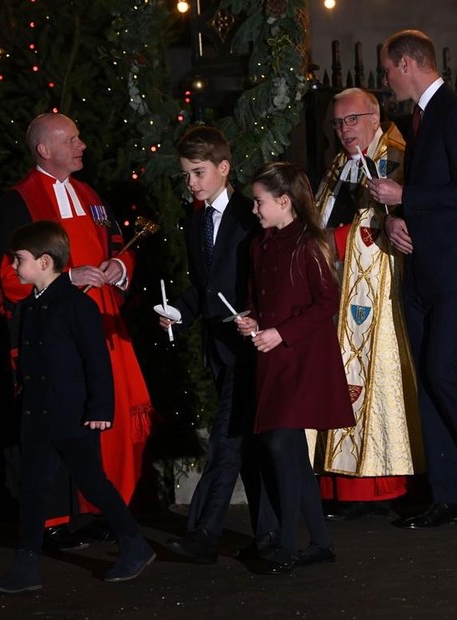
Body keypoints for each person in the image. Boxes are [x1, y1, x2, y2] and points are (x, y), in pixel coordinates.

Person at [369, 30, 457, 528]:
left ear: (408, 63)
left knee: (444, 368)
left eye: (388, 70)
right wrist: (396, 218)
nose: (385, 80)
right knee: (429, 377)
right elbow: (427, 193)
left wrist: (404, 198)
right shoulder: (422, 118)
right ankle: (448, 495)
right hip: (422, 267)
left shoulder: (456, 113)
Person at [0, 112, 152, 545]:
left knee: (109, 409)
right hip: (52, 331)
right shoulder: (18, 201)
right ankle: (57, 521)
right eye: (73, 140)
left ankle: (107, 508)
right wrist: (68, 278)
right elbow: (10, 276)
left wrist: (120, 266)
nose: (82, 146)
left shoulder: (91, 195)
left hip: (101, 321)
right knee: (63, 414)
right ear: (45, 150)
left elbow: (118, 243)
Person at [0, 222, 155, 594]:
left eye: (20, 260)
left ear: (45, 261)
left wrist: (100, 407)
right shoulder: (32, 306)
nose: (14, 267)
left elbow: (97, 360)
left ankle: (134, 543)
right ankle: (26, 565)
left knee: (92, 481)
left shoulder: (77, 305)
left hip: (72, 413)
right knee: (32, 489)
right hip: (37, 414)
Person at [159, 126, 277, 563]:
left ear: (224, 169)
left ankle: (205, 532)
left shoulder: (251, 216)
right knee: (243, 440)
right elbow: (202, 286)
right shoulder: (194, 220)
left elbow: (265, 281)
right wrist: (179, 312)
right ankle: (268, 534)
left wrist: (258, 318)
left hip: (249, 345)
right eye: (187, 174)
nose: (191, 182)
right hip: (218, 348)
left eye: (199, 173)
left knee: (229, 438)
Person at [235, 162, 355, 574]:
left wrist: (281, 333)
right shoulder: (259, 245)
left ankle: (287, 544)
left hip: (302, 358)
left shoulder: (309, 242)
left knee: (280, 446)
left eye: (259, 202)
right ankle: (319, 542)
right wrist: (251, 317)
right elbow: (259, 297)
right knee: (289, 453)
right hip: (274, 359)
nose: (255, 210)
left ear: (284, 202)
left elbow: (326, 302)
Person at [313, 87, 413, 521]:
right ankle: (340, 484)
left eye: (352, 120)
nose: (344, 130)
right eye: (337, 123)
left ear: (375, 116)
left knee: (377, 384)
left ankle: (381, 484)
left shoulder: (396, 156)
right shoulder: (341, 164)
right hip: (340, 288)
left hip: (382, 293)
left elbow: (380, 228)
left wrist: (331, 243)